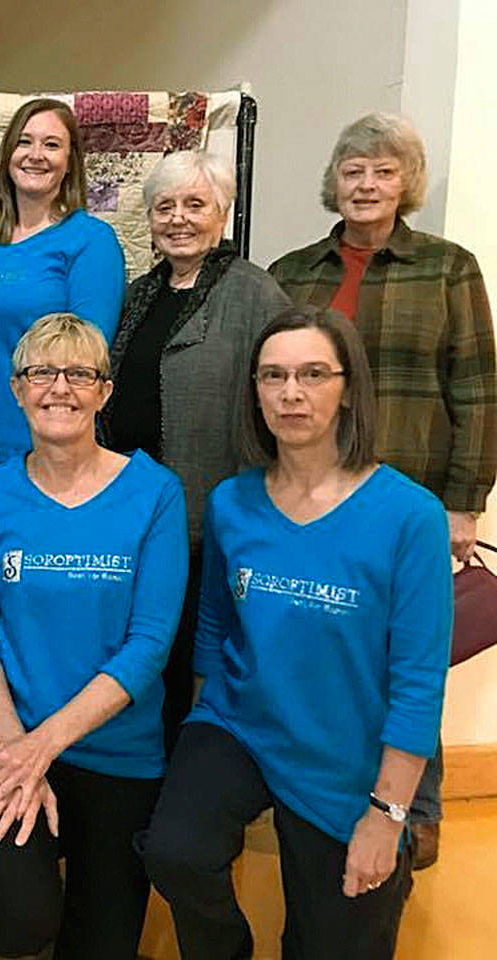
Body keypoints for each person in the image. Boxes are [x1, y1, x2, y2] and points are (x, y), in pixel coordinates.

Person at [142, 307, 452, 960]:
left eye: (313, 374)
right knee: (174, 851)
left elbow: (419, 682)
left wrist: (389, 814)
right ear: (252, 390)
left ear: (348, 388)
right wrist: (201, 737)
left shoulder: (410, 516)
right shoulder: (233, 501)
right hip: (241, 725)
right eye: (272, 376)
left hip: (346, 755)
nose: (291, 393)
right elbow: (214, 626)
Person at [269, 112, 497, 867]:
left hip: (411, 499)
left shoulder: (449, 267)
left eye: (384, 171)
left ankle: (415, 804)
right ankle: (314, 787)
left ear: (408, 183)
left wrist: (464, 500)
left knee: (411, 650)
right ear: (333, 183)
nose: (366, 185)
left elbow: (476, 387)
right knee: (323, 642)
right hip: (311, 497)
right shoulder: (294, 272)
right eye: (353, 171)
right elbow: (269, 383)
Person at [0, 314, 188, 960]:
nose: (59, 388)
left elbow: (149, 646)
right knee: (18, 928)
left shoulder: (155, 493)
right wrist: (20, 748)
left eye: (80, 374)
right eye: (41, 372)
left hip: (116, 751)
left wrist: (46, 745)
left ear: (104, 392)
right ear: (16, 389)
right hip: (6, 735)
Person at [102, 150, 292, 752]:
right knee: (139, 646)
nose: (178, 219)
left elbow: (280, 408)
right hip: (133, 512)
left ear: (222, 213)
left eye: (194, 205)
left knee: (193, 655)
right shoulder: (138, 295)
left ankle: (184, 786)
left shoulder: (255, 295)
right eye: (165, 207)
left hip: (207, 516)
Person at [0, 97, 126, 465]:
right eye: (24, 141)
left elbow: (85, 358)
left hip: (48, 447)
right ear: (7, 156)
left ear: (69, 163)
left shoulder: (91, 241)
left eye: (51, 145)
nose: (35, 154)